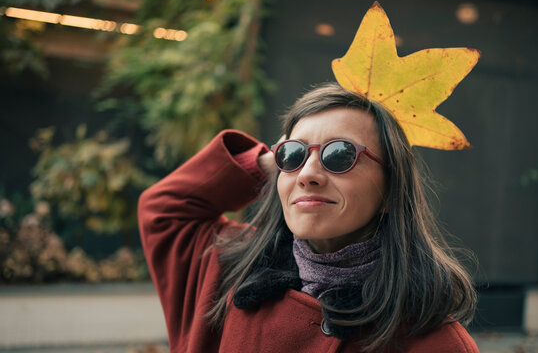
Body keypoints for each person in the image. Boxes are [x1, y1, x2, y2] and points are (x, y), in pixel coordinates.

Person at [137, 82, 479, 352]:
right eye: (293, 154)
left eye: (341, 154)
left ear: (390, 189)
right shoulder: (227, 271)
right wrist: (269, 162)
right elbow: (164, 210)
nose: (307, 174)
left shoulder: (436, 342)